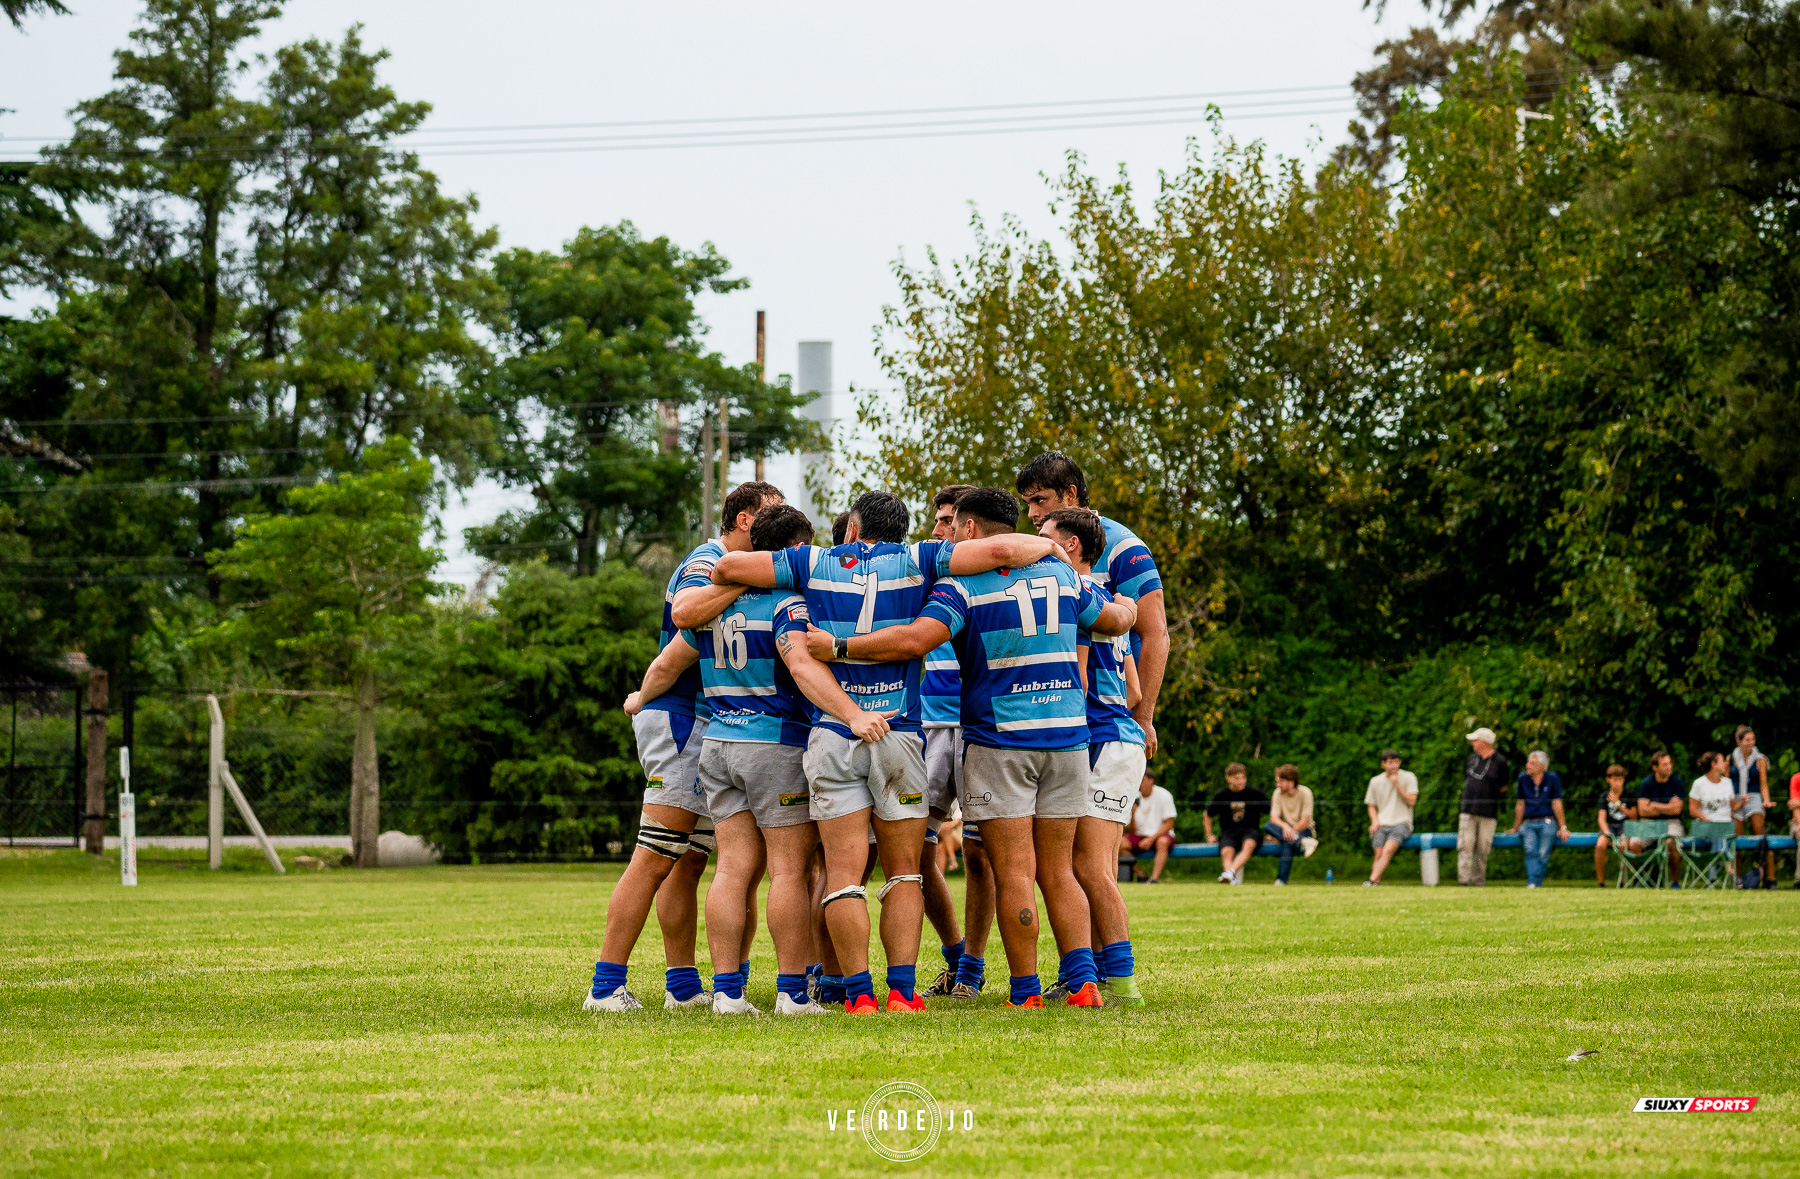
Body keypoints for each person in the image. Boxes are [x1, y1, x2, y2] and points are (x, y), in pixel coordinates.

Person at [720, 488, 1063, 1013]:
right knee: (905, 871)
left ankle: (858, 995)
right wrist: (1051, 550)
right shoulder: (921, 558)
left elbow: (730, 567)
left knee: (842, 874)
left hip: (836, 734)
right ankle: (902, 992)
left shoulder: (811, 561)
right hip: (899, 733)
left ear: (852, 529)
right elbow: (998, 552)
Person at [806, 486, 1137, 1010]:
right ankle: (1085, 984)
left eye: (955, 526)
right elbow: (1117, 622)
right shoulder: (1065, 576)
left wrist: (840, 646)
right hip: (1071, 739)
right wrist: (1127, 605)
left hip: (1000, 742)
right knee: (1059, 869)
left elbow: (915, 640)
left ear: (970, 530)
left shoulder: (960, 587)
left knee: (1014, 872)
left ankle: (1026, 992)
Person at [586, 480, 783, 1012]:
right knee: (654, 854)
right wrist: (744, 584)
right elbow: (685, 618)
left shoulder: (737, 568)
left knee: (687, 860)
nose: (777, 526)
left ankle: (682, 985)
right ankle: (605, 987)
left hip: (703, 722)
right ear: (744, 519)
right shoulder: (709, 559)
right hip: (680, 720)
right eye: (771, 515)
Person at [626, 504, 831, 1015]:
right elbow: (803, 669)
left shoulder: (716, 605)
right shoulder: (786, 603)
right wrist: (850, 713)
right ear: (790, 552)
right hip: (773, 744)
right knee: (787, 870)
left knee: (731, 869)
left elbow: (667, 662)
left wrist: (638, 699)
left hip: (716, 744)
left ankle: (727, 994)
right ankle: (790, 993)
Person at [1042, 506, 1147, 1004]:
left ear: (1072, 546)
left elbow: (1078, 681)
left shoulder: (1075, 598)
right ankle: (1099, 974)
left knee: (1086, 865)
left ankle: (1122, 984)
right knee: (1094, 862)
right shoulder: (1110, 600)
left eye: (1046, 536)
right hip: (1121, 735)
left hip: (1103, 740)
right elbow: (1134, 688)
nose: (1038, 545)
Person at [1017, 453, 1168, 760]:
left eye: (1039, 500)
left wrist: (1143, 718)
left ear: (1070, 494)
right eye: (1027, 503)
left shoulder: (1123, 546)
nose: (1032, 512)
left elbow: (1155, 634)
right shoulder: (1038, 547)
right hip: (1054, 722)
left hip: (1106, 724)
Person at [920, 484, 979, 997]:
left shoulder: (996, 571)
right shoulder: (925, 570)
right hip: (931, 725)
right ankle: (957, 958)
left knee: (985, 855)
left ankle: (976, 972)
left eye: (947, 521)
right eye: (938, 520)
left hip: (987, 727)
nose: (939, 530)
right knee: (916, 850)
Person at [1506, 751, 1568, 889]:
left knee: (1543, 853)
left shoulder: (1552, 778)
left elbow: (1557, 803)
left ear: (1542, 766)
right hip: (1529, 822)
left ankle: (1535, 882)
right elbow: (1520, 804)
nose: (1527, 765)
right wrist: (1516, 827)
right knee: (1530, 850)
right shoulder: (1523, 778)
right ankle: (1532, 882)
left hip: (1547, 821)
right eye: (1528, 762)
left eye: (1532, 763)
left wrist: (1562, 826)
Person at [1457, 727, 1510, 886]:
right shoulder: (1471, 758)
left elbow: (1503, 787)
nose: (1472, 743)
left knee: (1482, 849)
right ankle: (1463, 880)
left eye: (1475, 740)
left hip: (1488, 813)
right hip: (1468, 810)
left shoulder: (1500, 762)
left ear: (1485, 742)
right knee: (1465, 846)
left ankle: (1478, 880)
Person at [1205, 764, 1269, 885]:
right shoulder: (1221, 795)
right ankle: (1231, 877)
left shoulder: (1255, 793)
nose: (1241, 781)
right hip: (1229, 832)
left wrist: (1272, 833)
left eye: (1243, 778)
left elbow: (1272, 810)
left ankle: (1230, 873)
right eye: (1237, 778)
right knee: (1226, 852)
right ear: (1228, 778)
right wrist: (1209, 835)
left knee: (1249, 844)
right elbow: (1207, 814)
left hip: (1251, 831)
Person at [1363, 750, 1418, 887]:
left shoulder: (1409, 777)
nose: (1393, 766)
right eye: (1389, 763)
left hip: (1402, 822)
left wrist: (1397, 786)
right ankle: (1375, 882)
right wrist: (1374, 821)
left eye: (1395, 762)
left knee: (1388, 850)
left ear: (1399, 762)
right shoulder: (1375, 781)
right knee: (1379, 853)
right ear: (1383, 764)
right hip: (1382, 823)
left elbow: (1412, 802)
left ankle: (1372, 880)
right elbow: (1371, 806)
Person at [1729, 725, 1774, 887]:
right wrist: (1731, 803)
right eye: (1747, 740)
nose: (1750, 743)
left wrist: (1766, 801)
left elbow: (1763, 784)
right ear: (1738, 741)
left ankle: (1769, 877)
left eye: (1752, 739)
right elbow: (1727, 783)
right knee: (1737, 840)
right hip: (1736, 797)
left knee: (1760, 834)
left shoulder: (1760, 759)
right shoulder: (1731, 759)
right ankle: (1737, 878)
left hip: (1754, 797)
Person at [1636, 750, 1686, 883]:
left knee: (1671, 842)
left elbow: (1676, 810)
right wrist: (1667, 807)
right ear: (1655, 768)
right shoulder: (1647, 783)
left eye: (1669, 763)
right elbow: (1642, 811)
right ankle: (1642, 880)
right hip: (1649, 823)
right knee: (1634, 843)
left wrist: (1653, 805)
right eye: (1664, 765)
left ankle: (1675, 882)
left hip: (1672, 822)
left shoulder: (1677, 782)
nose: (1669, 767)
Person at [1263, 765, 1317, 885]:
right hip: (1284, 830)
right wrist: (1285, 827)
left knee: (1288, 841)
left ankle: (1281, 879)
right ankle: (1302, 842)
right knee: (1267, 826)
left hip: (1304, 830)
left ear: (1291, 782)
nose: (1278, 785)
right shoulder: (1277, 793)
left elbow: (1304, 822)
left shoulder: (1305, 793)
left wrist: (1290, 832)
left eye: (1281, 782)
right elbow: (1274, 818)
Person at [1125, 774, 1178, 883]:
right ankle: (1141, 875)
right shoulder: (1133, 797)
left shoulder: (1164, 795)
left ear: (1151, 781)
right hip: (1140, 836)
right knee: (1119, 844)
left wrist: (1151, 839)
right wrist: (1133, 813)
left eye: (1142, 780)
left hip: (1160, 835)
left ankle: (1154, 879)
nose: (1139, 783)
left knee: (1163, 842)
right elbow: (1131, 831)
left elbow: (1169, 823)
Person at [1592, 764, 1637, 886]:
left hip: (1626, 826)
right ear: (1608, 779)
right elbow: (1601, 819)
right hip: (1610, 827)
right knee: (1600, 844)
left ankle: (1622, 881)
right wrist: (1607, 834)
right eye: (1614, 779)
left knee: (1623, 845)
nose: (1617, 783)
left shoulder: (1630, 795)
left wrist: (1618, 804)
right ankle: (1600, 882)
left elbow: (1634, 816)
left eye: (1620, 780)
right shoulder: (1603, 796)